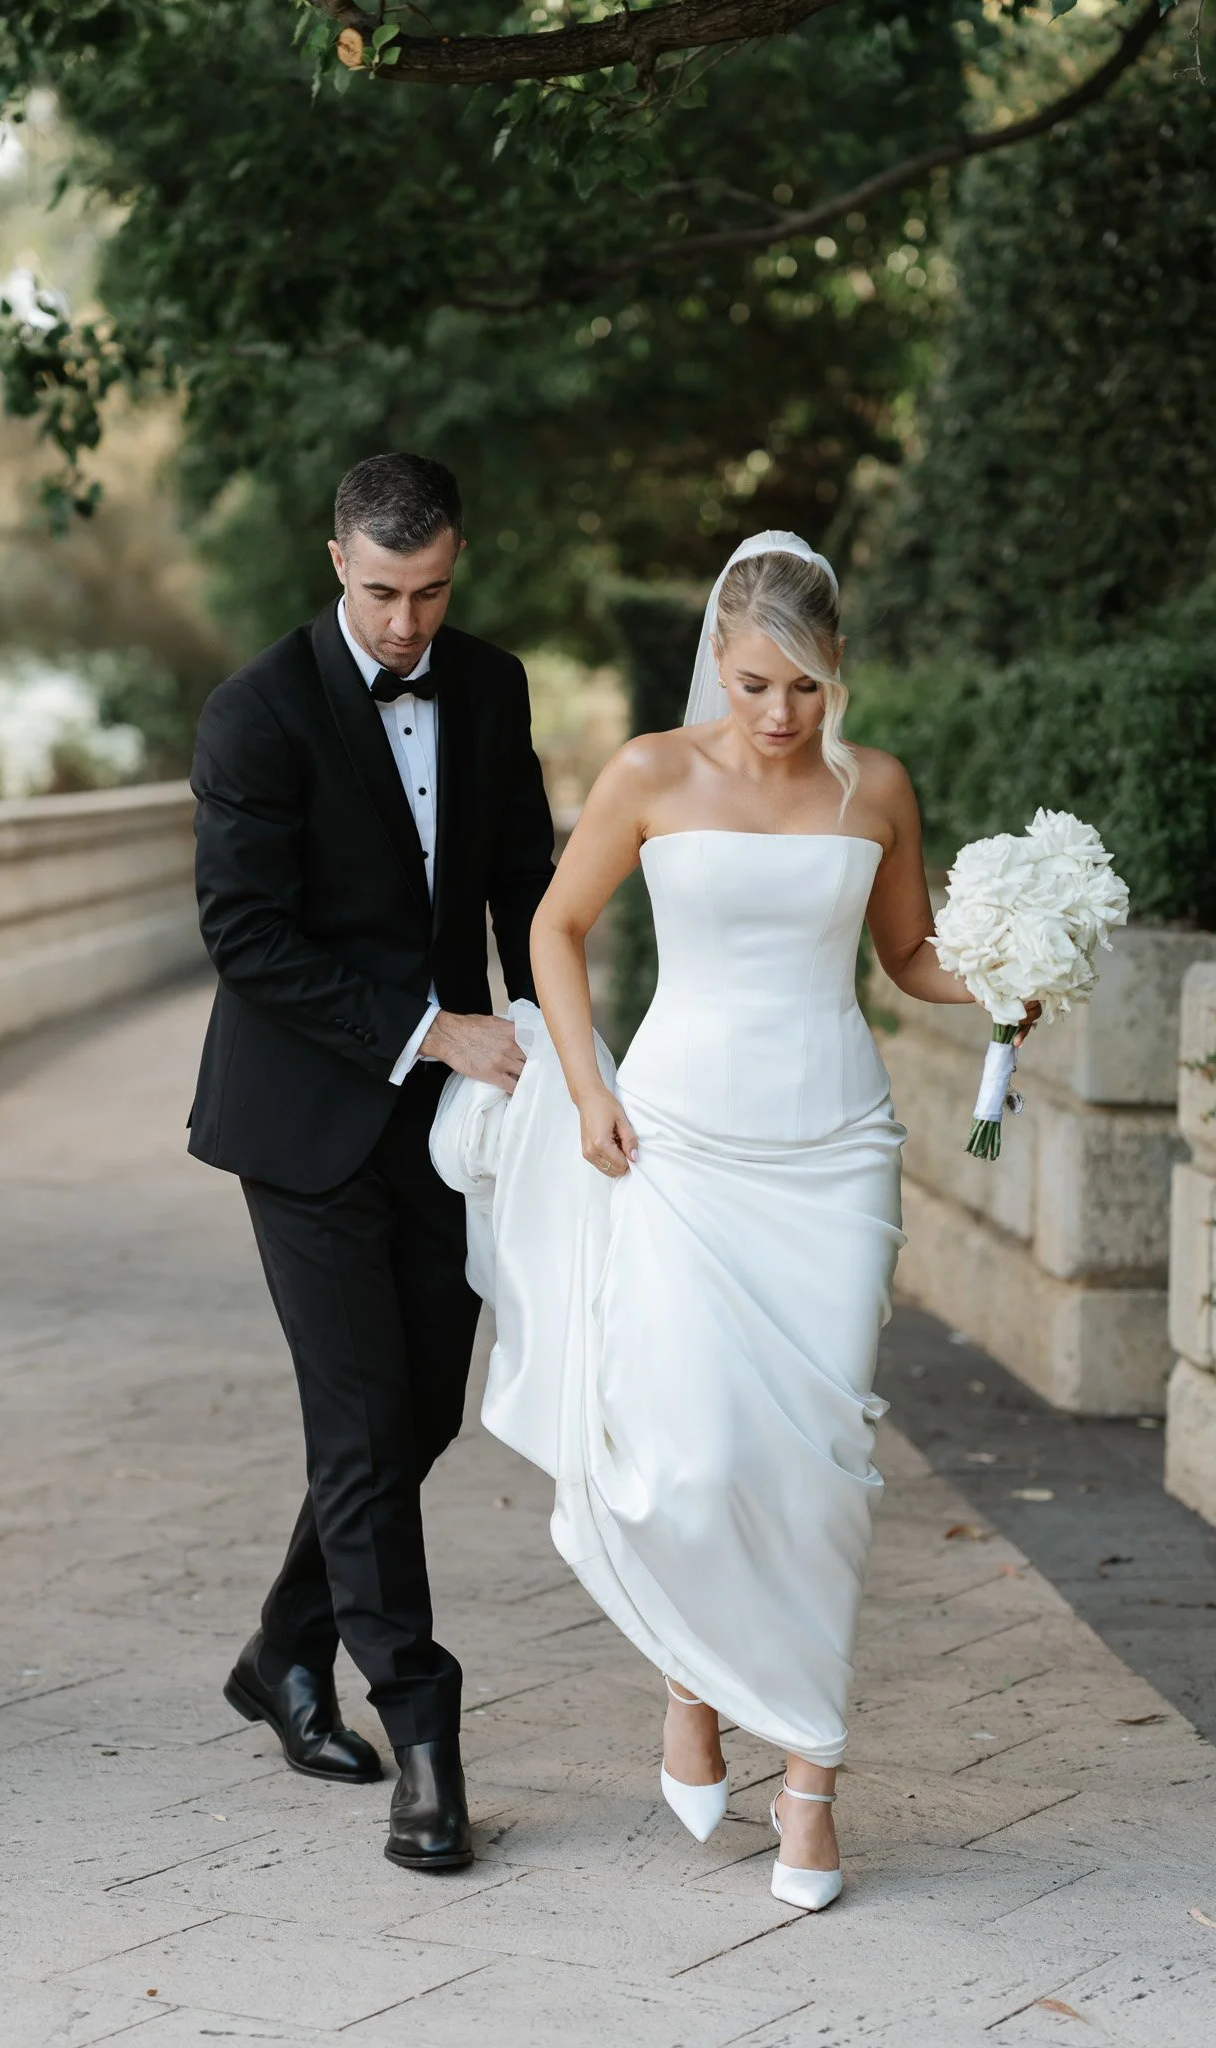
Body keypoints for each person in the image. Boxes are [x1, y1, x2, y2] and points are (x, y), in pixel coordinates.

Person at [432, 531, 1037, 1911]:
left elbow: (906, 955)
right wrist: (585, 1086)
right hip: (681, 1146)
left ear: (839, 678)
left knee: (816, 1471)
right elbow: (553, 931)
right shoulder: (650, 772)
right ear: (722, 658)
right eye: (759, 684)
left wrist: (1007, 974)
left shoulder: (875, 788)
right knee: (694, 1460)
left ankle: (814, 1776)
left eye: (808, 690)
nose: (780, 717)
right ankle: (693, 1681)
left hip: (834, 1157)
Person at [188, 453, 554, 1872]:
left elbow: (524, 881)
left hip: (449, 1123)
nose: (409, 623)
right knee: (357, 1423)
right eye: (386, 591)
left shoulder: (493, 683)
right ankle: (425, 1740)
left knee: (417, 1417)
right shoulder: (256, 713)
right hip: (300, 1121)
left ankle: (280, 1647)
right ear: (334, 556)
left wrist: (554, 1036)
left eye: (434, 591)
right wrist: (433, 1030)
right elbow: (248, 937)